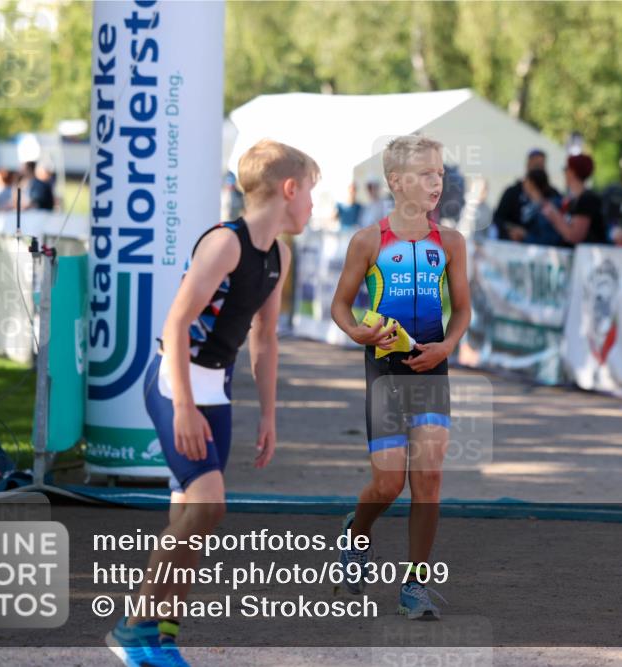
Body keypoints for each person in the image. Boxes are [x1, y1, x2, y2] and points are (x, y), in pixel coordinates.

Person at [106, 139, 319, 667]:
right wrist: (182, 407)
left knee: (192, 519)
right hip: (174, 383)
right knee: (208, 506)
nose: (313, 204)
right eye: (311, 191)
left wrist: (268, 414)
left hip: (216, 391)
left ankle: (160, 638)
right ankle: (132, 627)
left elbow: (265, 339)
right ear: (289, 190)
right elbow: (177, 323)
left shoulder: (280, 255)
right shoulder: (225, 244)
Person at [330, 135, 470, 620]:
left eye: (441, 173)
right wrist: (357, 333)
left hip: (433, 367)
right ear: (397, 181)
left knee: (428, 479)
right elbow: (340, 306)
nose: (438, 181)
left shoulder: (450, 242)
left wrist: (447, 347)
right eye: (428, 173)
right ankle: (356, 533)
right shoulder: (368, 241)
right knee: (388, 485)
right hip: (385, 372)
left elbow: (463, 310)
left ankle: (415, 586)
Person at [535, 153, 606, 247]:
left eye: (566, 169)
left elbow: (575, 236)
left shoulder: (587, 199)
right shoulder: (574, 199)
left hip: (586, 257)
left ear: (572, 172)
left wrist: (554, 216)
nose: (564, 173)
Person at [493, 148, 560, 242]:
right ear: (528, 165)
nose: (538, 169)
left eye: (541, 165)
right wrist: (511, 231)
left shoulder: (553, 195)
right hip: (513, 245)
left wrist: (527, 235)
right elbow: (498, 219)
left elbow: (555, 230)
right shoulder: (512, 192)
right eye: (535, 165)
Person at [520, 168, 565, 246]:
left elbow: (548, 240)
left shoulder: (549, 207)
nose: (523, 184)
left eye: (526, 181)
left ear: (532, 183)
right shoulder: (532, 205)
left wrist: (524, 236)